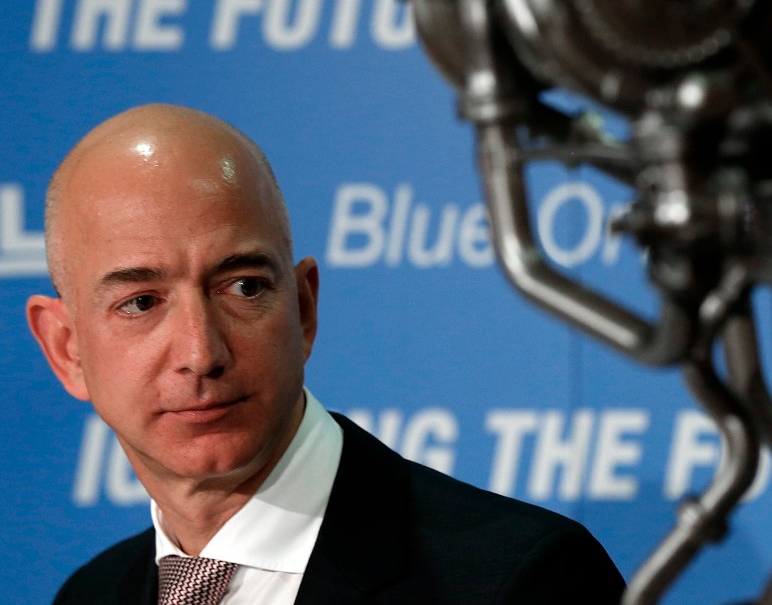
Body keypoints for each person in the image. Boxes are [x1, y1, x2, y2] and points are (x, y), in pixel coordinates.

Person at [28, 103, 626, 604]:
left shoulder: (520, 581)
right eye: (140, 303)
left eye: (244, 287)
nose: (201, 352)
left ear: (303, 309)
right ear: (66, 348)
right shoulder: (91, 594)